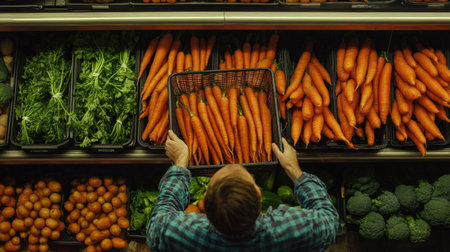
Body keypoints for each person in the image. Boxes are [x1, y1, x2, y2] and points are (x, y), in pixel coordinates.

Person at [147, 130, 339, 251]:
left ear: (206, 208)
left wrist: (180, 162)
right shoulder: (290, 229)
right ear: (258, 195)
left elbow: (156, 225)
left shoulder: (183, 234)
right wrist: (293, 169)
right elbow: (329, 221)